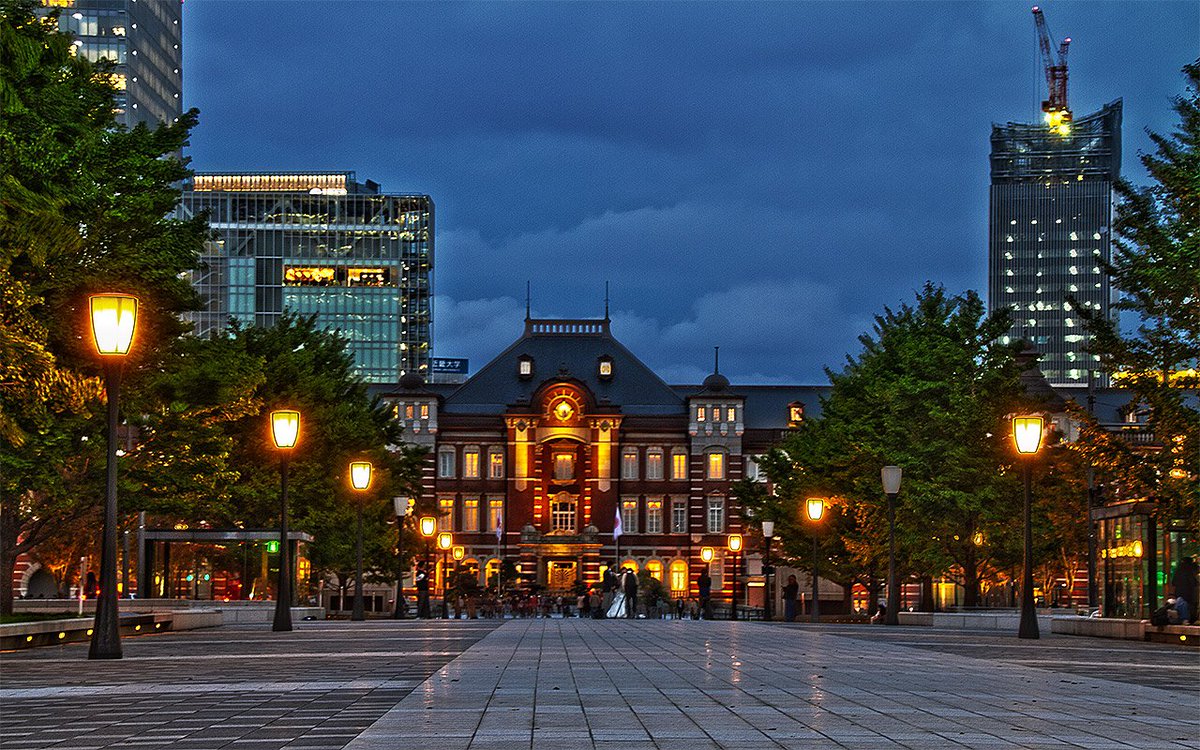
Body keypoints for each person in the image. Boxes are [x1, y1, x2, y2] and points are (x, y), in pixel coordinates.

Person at [1171, 556, 1198, 625]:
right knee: (1186, 606)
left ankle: (1182, 619)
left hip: (1180, 593)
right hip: (1188, 594)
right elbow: (1194, 583)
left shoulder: (1178, 571)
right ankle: (1186, 619)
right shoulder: (1190, 572)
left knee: (1181, 605)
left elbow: (1173, 583)